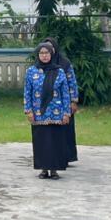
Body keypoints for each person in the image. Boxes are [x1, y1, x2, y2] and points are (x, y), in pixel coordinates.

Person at [25, 43, 72, 179]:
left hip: (56, 112)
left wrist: (66, 113)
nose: (44, 56)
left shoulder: (59, 71)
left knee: (56, 141)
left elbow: (65, 94)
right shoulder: (31, 71)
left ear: (52, 55)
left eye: (47, 53)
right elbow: (27, 92)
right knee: (41, 142)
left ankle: (54, 169)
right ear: (38, 55)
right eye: (41, 53)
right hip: (38, 113)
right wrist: (28, 110)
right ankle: (44, 169)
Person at [42, 37, 80, 167]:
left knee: (66, 130)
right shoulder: (41, 64)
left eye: (50, 48)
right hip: (46, 105)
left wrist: (73, 101)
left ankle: (67, 156)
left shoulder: (64, 63)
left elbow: (72, 82)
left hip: (64, 103)